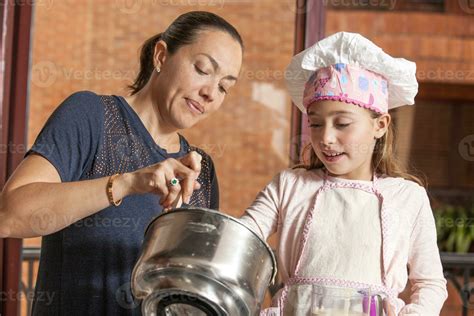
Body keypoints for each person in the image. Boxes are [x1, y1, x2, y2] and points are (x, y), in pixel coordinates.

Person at [0, 11, 243, 315]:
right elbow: (9, 215)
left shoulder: (199, 172)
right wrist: (128, 183)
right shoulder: (91, 117)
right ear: (161, 56)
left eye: (224, 87)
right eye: (202, 69)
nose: (210, 93)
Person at [240, 32, 447, 315]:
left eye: (342, 123)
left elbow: (430, 282)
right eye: (315, 124)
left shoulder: (408, 197)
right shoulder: (288, 186)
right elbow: (241, 239)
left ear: (380, 125)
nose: (325, 138)